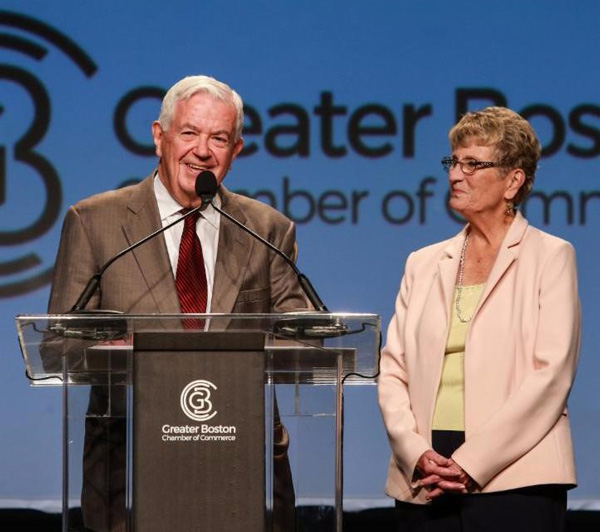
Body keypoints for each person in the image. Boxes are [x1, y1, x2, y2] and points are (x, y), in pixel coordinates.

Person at [48, 75, 308, 531]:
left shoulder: (266, 228)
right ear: (158, 136)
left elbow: (299, 333)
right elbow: (57, 345)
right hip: (128, 463)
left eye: (219, 138)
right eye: (189, 132)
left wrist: (309, 334)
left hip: (241, 460)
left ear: (237, 150)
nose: (203, 150)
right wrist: (115, 352)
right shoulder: (95, 223)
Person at [378, 107, 580, 532]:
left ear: (513, 181)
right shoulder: (423, 262)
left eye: (473, 164)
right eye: (453, 161)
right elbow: (392, 370)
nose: (455, 174)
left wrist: (472, 462)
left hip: (517, 473)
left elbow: (551, 375)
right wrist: (415, 452)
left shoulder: (551, 257)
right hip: (427, 476)